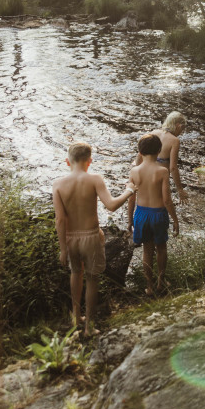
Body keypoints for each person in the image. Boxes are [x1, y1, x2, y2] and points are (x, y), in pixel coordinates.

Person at [52, 141, 135, 336]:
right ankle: (89, 326)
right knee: (92, 279)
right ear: (90, 161)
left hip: (71, 239)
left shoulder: (58, 184)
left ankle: (75, 316)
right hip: (91, 237)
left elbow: (60, 220)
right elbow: (111, 205)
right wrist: (130, 190)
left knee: (75, 273)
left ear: (67, 162)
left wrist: (63, 248)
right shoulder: (95, 179)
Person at [128, 131, 179, 296]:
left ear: (140, 153)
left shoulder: (134, 172)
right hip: (158, 214)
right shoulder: (162, 171)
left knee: (147, 250)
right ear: (159, 151)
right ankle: (160, 282)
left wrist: (130, 220)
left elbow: (130, 199)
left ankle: (149, 286)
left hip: (141, 214)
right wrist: (175, 220)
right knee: (161, 248)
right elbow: (167, 200)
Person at [134, 110, 189, 203]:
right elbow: (173, 168)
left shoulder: (154, 132)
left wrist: (136, 172)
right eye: (182, 129)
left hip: (145, 174)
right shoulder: (175, 141)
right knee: (162, 203)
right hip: (160, 178)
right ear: (178, 125)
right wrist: (180, 190)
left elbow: (140, 155)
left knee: (145, 202)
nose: (181, 132)